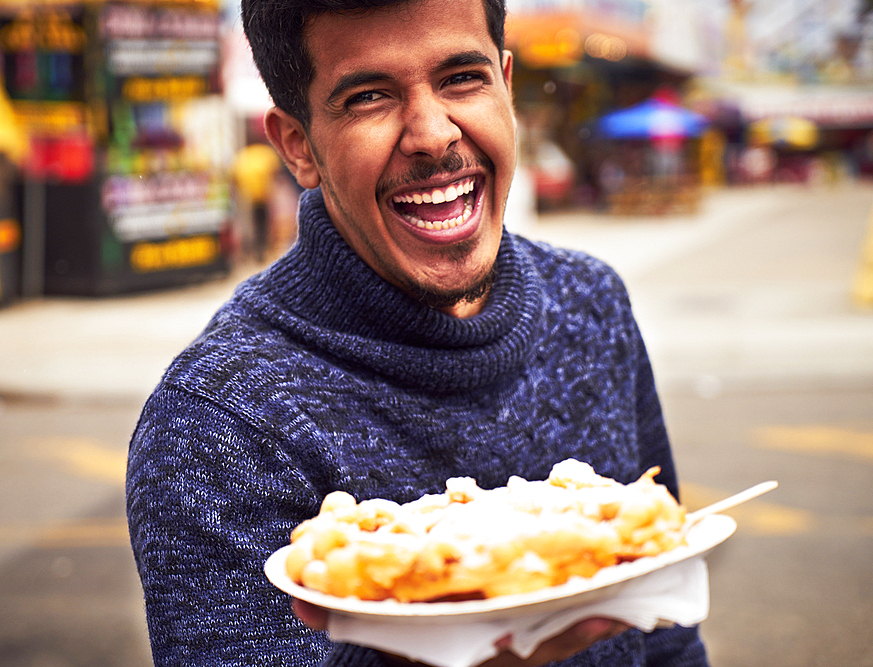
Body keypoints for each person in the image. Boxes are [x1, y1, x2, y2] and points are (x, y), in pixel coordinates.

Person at [126, 0, 709, 665]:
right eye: (369, 96)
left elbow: (669, 632)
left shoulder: (592, 304)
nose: (433, 135)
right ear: (298, 146)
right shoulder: (221, 418)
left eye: (463, 78)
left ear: (506, 86)